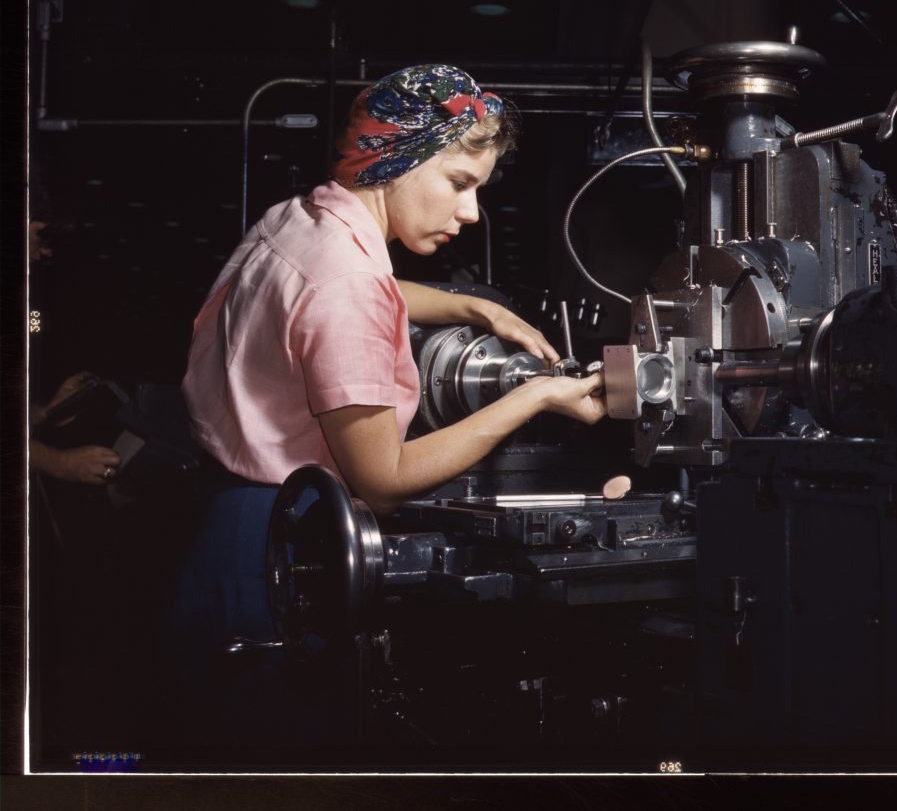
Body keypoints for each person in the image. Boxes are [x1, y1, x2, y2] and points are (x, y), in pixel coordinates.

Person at [166, 64, 605, 763]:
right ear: (396, 161)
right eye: (459, 184)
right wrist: (537, 396)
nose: (470, 212)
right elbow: (385, 477)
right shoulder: (348, 286)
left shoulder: (301, 219)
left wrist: (474, 305)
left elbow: (351, 283)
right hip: (282, 550)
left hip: (224, 527)